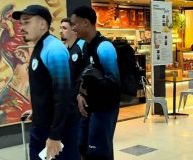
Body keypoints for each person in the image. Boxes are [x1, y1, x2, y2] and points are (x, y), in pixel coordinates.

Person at [12, 5, 79, 160]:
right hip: (42, 126)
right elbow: (46, 88)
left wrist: (55, 135)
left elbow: (63, 96)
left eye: (26, 22)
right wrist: (38, 110)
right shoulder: (40, 47)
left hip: (58, 131)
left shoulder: (54, 49)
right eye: (21, 23)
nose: (21, 28)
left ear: (42, 24)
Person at [70, 6, 120, 160]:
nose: (73, 28)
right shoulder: (85, 46)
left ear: (85, 23)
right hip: (89, 108)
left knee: (99, 152)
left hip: (104, 109)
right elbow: (82, 77)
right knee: (84, 148)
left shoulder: (104, 47)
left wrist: (94, 85)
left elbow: (114, 84)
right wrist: (80, 94)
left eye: (74, 24)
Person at [60, 18, 87, 105]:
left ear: (74, 30)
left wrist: (82, 93)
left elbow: (88, 72)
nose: (61, 31)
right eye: (60, 28)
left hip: (82, 99)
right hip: (69, 100)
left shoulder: (83, 45)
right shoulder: (64, 49)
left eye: (64, 28)